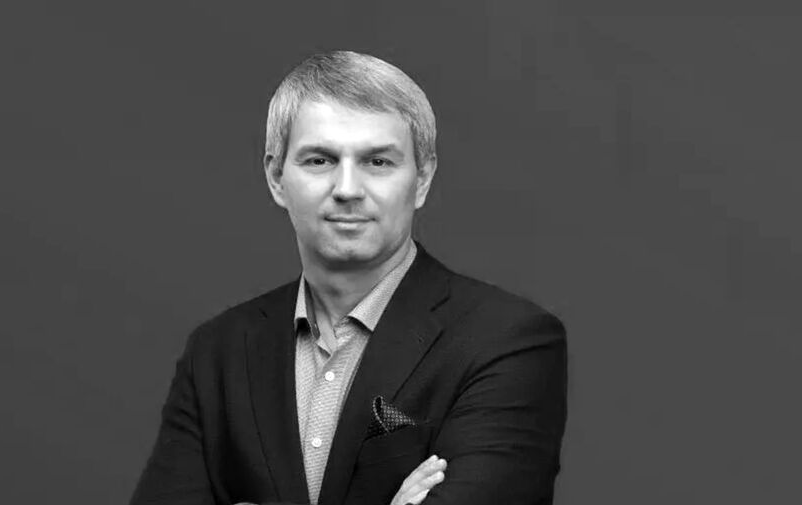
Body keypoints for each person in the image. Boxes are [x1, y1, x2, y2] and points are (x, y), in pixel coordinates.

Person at [130, 50, 567, 505]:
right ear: (276, 177)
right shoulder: (217, 352)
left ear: (422, 179)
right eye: (320, 160)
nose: (347, 190)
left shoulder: (507, 341)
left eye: (378, 162)